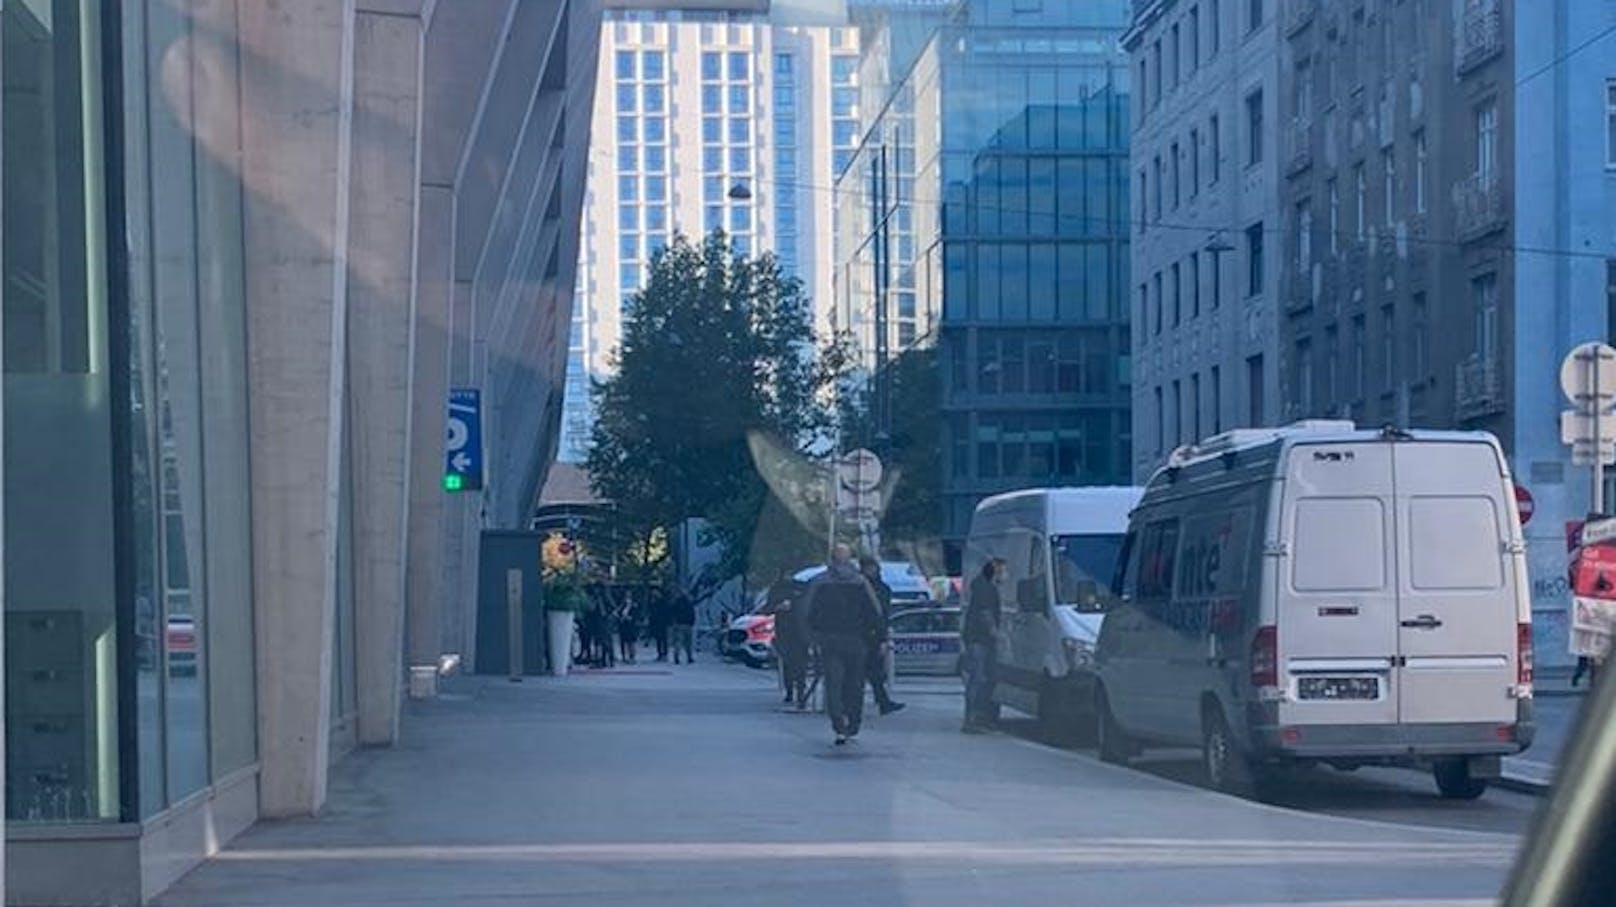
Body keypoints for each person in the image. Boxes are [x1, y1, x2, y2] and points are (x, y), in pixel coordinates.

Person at [805, 543, 886, 745]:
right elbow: (875, 612)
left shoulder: (819, 582)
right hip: (856, 640)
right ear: (850, 560)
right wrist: (879, 637)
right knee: (855, 684)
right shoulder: (861, 582)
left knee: (833, 684)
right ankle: (853, 722)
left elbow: (807, 612)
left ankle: (838, 724)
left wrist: (814, 636)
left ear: (831, 560)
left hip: (830, 640)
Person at [961, 557, 1006, 733]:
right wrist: (995, 633)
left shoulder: (984, 585)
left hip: (980, 639)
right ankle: (973, 719)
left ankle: (980, 718)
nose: (1005, 574)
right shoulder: (984, 587)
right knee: (978, 679)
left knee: (985, 678)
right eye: (1003, 569)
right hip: (979, 639)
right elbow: (985, 612)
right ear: (994, 569)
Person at [859, 554, 906, 716]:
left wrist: (883, 637)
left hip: (873, 634)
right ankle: (882, 701)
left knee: (875, 671)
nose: (870, 571)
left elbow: (883, 615)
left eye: (872, 567)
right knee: (870, 671)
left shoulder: (882, 589)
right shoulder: (860, 586)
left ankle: (883, 701)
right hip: (863, 633)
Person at [767, 571, 810, 708]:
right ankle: (792, 690)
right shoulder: (779, 589)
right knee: (789, 662)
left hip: (798, 630)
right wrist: (777, 607)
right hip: (786, 630)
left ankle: (800, 692)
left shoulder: (804, 587)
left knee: (798, 662)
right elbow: (769, 607)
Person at [670, 586, 696, 664]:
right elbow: (692, 613)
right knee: (688, 642)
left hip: (679, 624)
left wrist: (674, 622)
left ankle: (676, 657)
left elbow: (672, 613)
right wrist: (692, 622)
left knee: (678, 642)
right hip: (688, 624)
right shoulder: (689, 603)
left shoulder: (676, 602)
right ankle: (689, 657)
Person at [648, 586, 671, 662]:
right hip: (655, 622)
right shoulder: (652, 601)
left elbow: (666, 611)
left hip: (662, 622)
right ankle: (660, 654)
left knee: (663, 639)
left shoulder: (663, 601)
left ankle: (664, 654)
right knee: (658, 639)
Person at [617, 594, 640, 664]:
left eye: (628, 597)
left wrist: (629, 617)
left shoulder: (634, 606)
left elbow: (636, 616)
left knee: (631, 642)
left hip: (631, 626)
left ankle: (632, 657)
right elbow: (617, 613)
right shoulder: (621, 606)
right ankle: (624, 657)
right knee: (623, 642)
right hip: (623, 626)